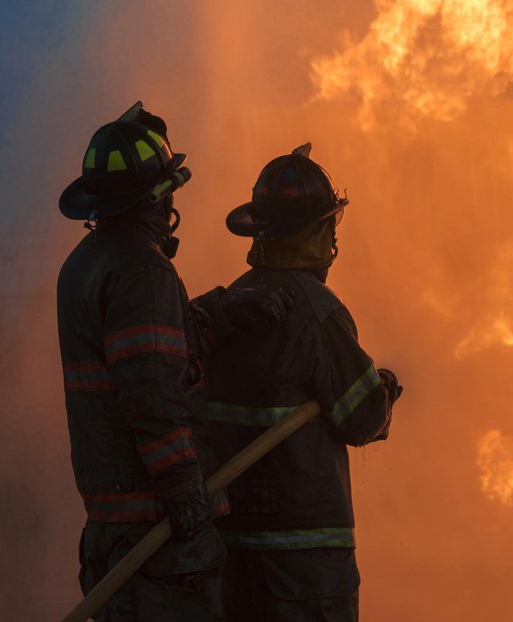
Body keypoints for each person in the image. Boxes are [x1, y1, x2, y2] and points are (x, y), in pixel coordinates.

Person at [56, 102, 288, 621]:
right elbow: (154, 399)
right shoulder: (144, 272)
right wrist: (187, 496)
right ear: (158, 196)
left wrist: (222, 312)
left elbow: (152, 351)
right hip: (158, 541)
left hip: (109, 535)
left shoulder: (85, 265)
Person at [196, 143, 403, 621]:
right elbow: (363, 418)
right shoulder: (319, 312)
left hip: (235, 553)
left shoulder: (226, 308)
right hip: (306, 567)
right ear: (319, 231)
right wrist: (384, 392)